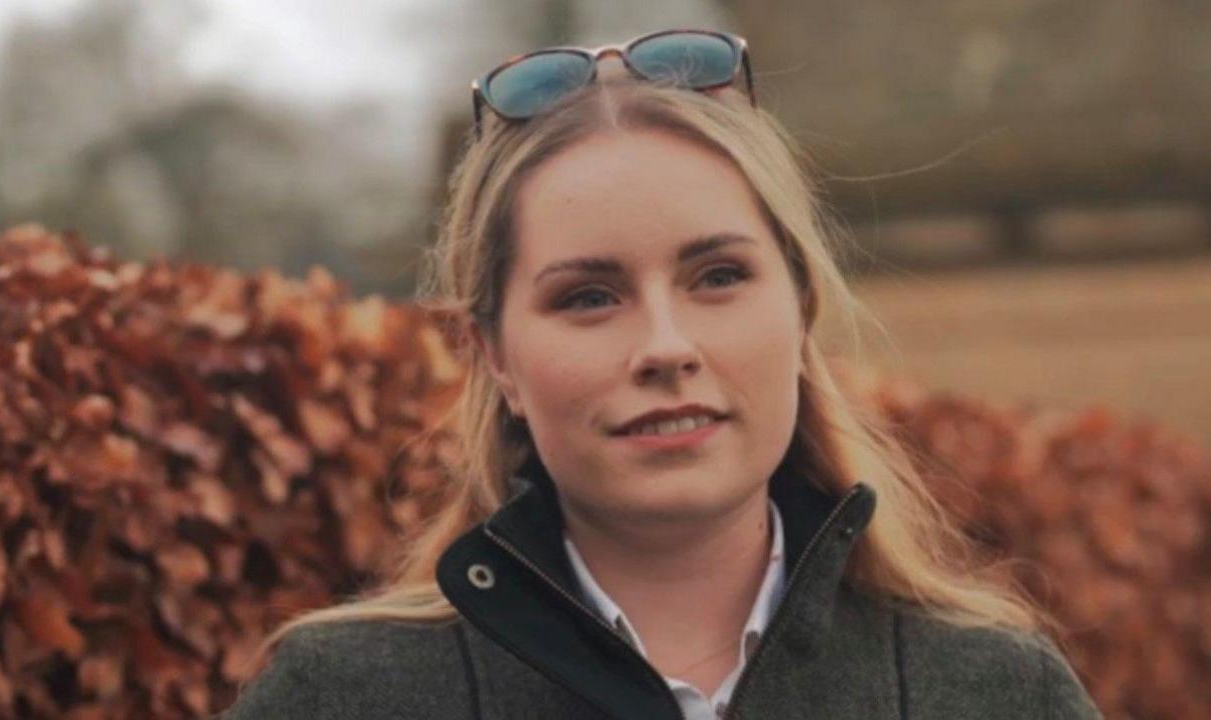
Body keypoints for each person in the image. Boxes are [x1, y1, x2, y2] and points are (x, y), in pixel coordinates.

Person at [221, 29, 1102, 719]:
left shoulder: (999, 692)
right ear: (495, 358)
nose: (666, 346)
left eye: (718, 277)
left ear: (799, 312)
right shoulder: (337, 698)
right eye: (589, 297)